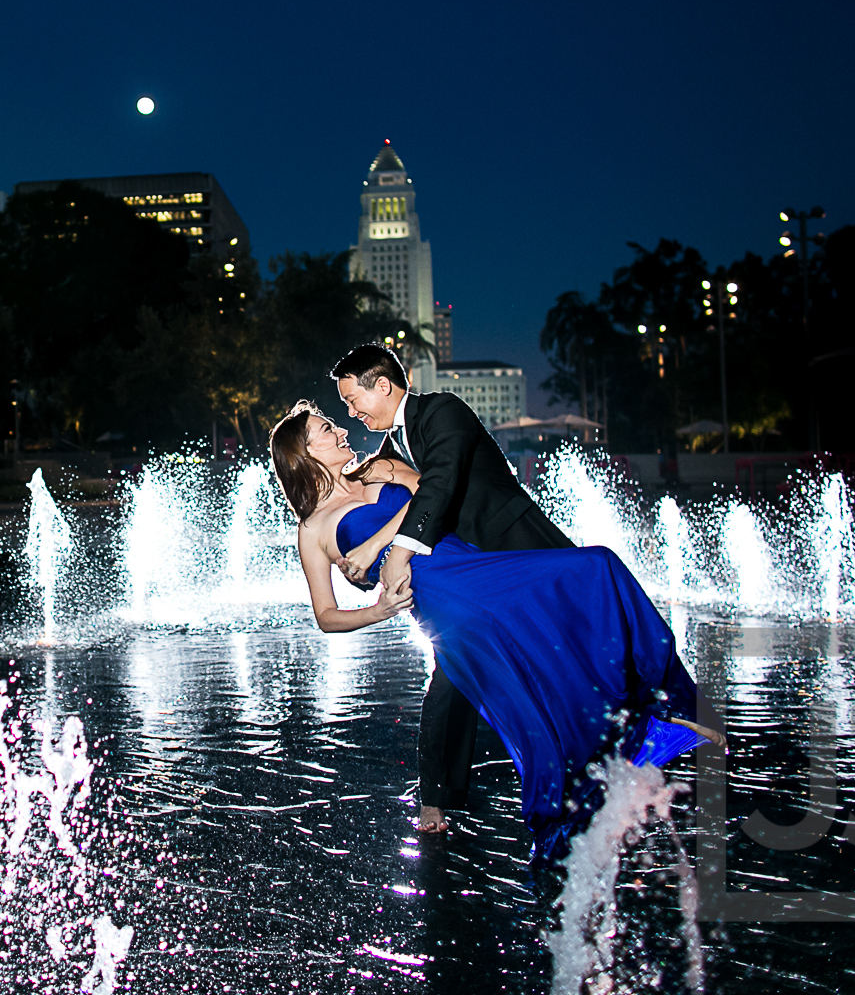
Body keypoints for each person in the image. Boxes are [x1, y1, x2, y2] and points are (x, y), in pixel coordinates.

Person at [269, 400, 720, 861]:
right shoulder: (313, 528)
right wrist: (380, 611)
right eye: (327, 429)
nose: (342, 431)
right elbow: (325, 615)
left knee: (598, 568)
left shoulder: (380, 469)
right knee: (519, 682)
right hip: (445, 596)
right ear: (304, 452)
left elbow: (435, 497)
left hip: (474, 562)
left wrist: (373, 544)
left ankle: (661, 706)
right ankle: (571, 790)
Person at [330, 344, 574, 836]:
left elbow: (439, 483)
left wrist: (398, 552)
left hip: (514, 544)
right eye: (346, 408)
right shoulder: (390, 448)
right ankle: (437, 795)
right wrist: (351, 552)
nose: (352, 413)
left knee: (573, 627)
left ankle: (658, 714)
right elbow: (374, 498)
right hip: (467, 569)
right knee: (454, 668)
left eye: (355, 401)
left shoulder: (443, 409)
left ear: (384, 386)